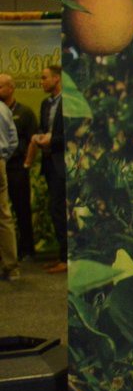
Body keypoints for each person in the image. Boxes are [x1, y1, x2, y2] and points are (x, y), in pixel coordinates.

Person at [31, 66, 66, 273]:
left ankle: (66, 258)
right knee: (55, 210)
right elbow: (43, 128)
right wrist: (39, 136)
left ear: (57, 78)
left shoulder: (68, 103)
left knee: (60, 210)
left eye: (44, 78)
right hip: (49, 164)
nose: (41, 82)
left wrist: (52, 140)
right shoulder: (45, 104)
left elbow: (72, 135)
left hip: (63, 163)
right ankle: (62, 255)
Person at [0, 74, 37, 261]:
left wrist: (26, 163)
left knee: (22, 208)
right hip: (3, 164)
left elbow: (32, 139)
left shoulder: (25, 112)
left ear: (11, 88)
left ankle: (27, 249)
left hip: (16, 167)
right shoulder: (2, 109)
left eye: (0, 86)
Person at [0, 95, 18, 280]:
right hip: (0, 163)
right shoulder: (4, 109)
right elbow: (13, 141)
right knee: (4, 216)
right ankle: (11, 267)